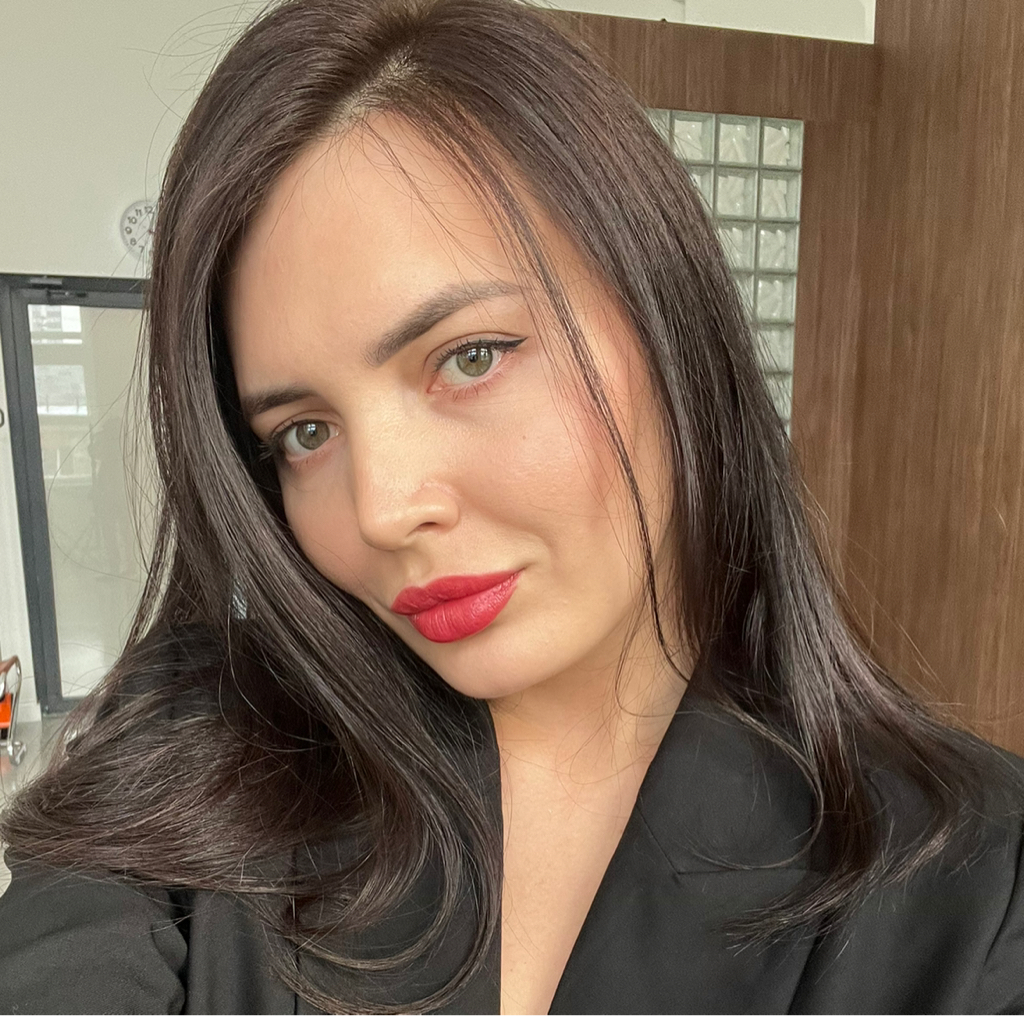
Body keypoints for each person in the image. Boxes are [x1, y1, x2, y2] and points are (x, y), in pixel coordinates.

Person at [1, 0, 1022, 1012]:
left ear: (668, 322)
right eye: (304, 432)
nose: (382, 510)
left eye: (471, 357)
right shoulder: (198, 747)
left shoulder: (977, 884)